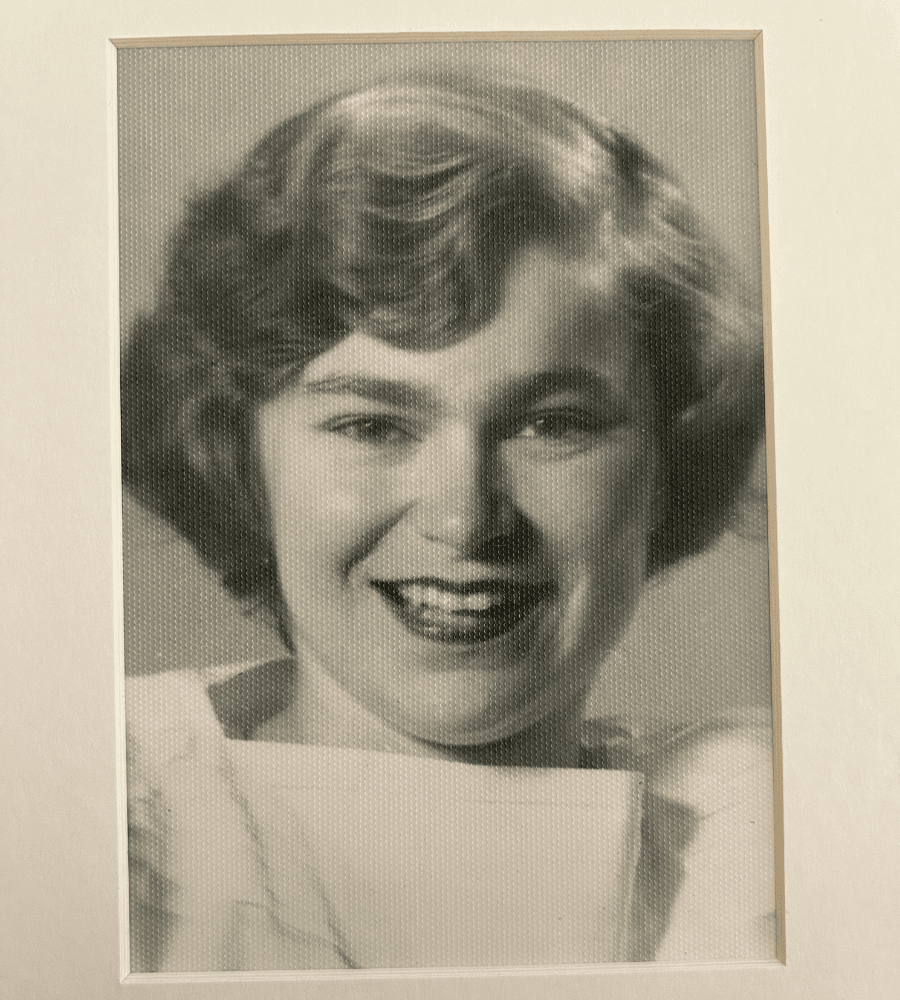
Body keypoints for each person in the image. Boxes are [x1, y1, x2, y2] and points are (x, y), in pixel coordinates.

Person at [121, 71, 775, 972]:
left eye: (555, 423)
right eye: (373, 425)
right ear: (238, 457)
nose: (466, 520)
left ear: (670, 462)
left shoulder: (762, 834)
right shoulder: (111, 814)